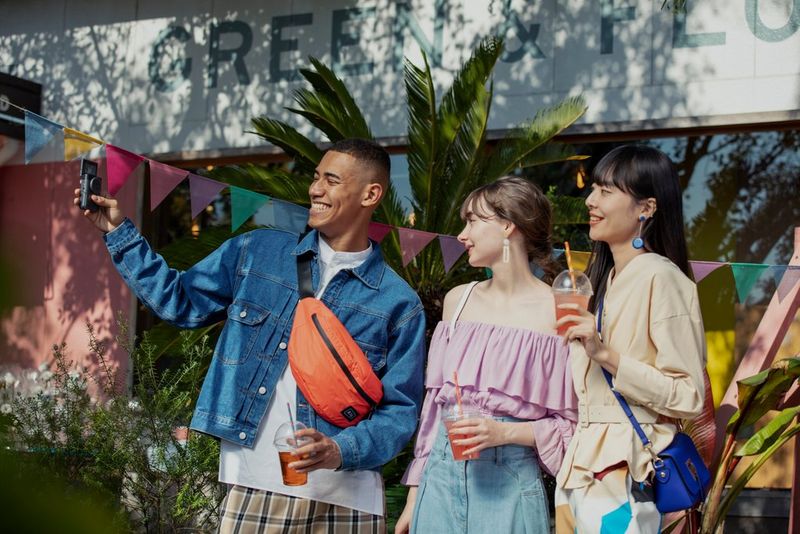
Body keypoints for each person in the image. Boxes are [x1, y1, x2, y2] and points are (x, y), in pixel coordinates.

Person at [74, 138, 427, 533]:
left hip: (347, 500)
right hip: (254, 483)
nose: (315, 189)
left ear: (371, 194)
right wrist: (120, 233)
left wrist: (338, 450)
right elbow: (179, 303)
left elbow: (400, 411)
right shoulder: (256, 251)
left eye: (331, 180)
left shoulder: (399, 302)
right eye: (315, 178)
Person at [395, 176, 578, 534]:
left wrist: (505, 434)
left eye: (473, 221)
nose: (462, 235)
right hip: (440, 481)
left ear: (509, 226)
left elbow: (575, 429)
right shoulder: (457, 301)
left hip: (511, 483)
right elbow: (434, 409)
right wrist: (415, 497)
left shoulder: (559, 311)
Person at [554, 145, 706, 533]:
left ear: (646, 208)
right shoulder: (603, 280)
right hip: (581, 468)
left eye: (606, 191)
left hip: (624, 466)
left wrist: (607, 354)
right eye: (594, 190)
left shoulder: (661, 277)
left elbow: (688, 395)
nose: (590, 201)